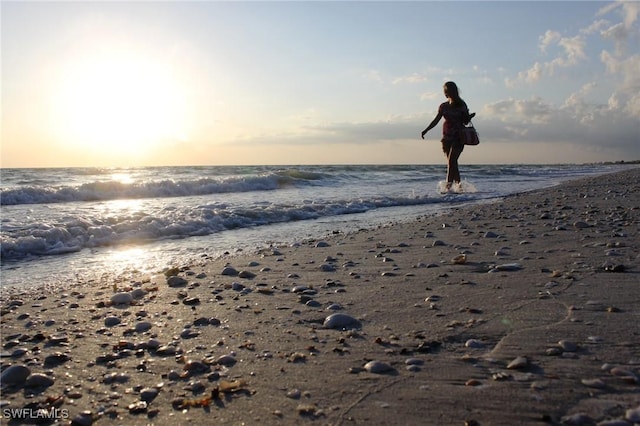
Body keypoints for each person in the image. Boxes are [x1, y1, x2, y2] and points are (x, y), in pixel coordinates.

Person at [421, 81, 475, 192]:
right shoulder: (443, 106)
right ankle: (459, 187)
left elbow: (465, 121)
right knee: (453, 164)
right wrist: (426, 130)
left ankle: (447, 188)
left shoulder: (461, 105)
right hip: (446, 138)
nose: (448, 93)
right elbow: (436, 120)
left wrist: (469, 117)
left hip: (459, 137)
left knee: (451, 162)